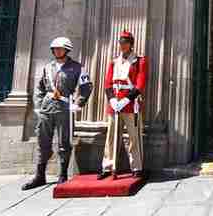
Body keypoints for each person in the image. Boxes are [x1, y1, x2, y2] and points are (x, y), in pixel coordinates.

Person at [22, 37, 92, 190]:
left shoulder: (78, 67)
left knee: (64, 142)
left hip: (64, 108)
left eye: (59, 49)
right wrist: (39, 106)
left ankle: (63, 174)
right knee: (43, 140)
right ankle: (40, 175)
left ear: (67, 50)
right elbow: (40, 88)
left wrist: (78, 103)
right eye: (54, 49)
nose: (56, 51)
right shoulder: (48, 67)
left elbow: (86, 87)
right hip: (47, 108)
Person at [97, 30, 148, 179]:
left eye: (125, 42)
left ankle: (136, 166)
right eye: (121, 43)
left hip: (131, 104)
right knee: (111, 136)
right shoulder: (114, 61)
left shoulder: (139, 61)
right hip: (115, 104)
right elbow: (107, 83)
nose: (122, 45)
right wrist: (112, 99)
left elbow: (140, 83)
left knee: (134, 137)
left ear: (131, 44)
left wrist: (127, 100)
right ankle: (108, 166)